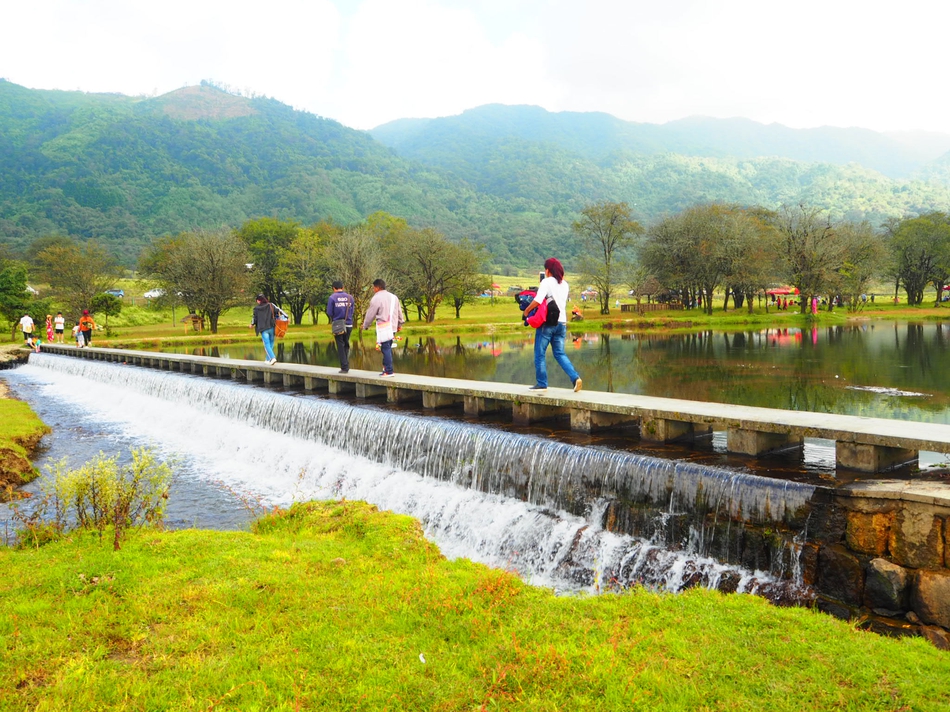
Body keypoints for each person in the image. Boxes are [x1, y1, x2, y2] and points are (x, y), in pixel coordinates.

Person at [525, 258, 582, 393]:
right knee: (559, 353)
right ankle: (575, 378)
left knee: (539, 353)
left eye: (545, 269)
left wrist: (527, 310)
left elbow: (538, 300)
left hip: (547, 323)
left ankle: (542, 383)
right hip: (562, 323)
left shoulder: (546, 282)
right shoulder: (565, 284)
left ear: (548, 270)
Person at [361, 279, 404, 377]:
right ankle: (386, 369)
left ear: (377, 287)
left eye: (373, 288)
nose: (373, 290)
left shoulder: (376, 298)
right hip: (392, 326)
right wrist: (399, 324)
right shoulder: (394, 297)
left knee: (385, 348)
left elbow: (370, 314)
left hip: (383, 327)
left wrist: (365, 325)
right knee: (387, 347)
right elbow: (399, 312)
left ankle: (389, 371)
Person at [326, 280, 355, 373]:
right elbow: (352, 311)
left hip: (338, 325)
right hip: (349, 324)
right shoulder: (350, 297)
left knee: (340, 345)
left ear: (333, 288)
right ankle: (346, 364)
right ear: (343, 287)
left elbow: (329, 312)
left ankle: (344, 367)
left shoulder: (332, 298)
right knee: (346, 344)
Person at [250, 294, 282, 365]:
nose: (257, 302)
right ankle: (267, 360)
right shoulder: (271, 305)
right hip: (272, 327)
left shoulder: (256, 309)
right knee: (271, 343)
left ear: (259, 300)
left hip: (263, 329)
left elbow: (254, 318)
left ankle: (273, 358)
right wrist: (285, 318)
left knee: (267, 344)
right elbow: (279, 311)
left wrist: (251, 324)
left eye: (257, 301)